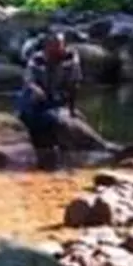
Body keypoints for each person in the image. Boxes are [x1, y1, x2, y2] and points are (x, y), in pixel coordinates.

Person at [15, 32, 82, 169]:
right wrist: (36, 89)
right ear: (47, 47)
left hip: (56, 97)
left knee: (52, 119)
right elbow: (28, 80)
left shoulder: (70, 59)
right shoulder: (37, 59)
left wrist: (72, 109)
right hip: (37, 96)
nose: (57, 49)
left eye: (60, 46)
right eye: (54, 46)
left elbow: (74, 85)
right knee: (25, 102)